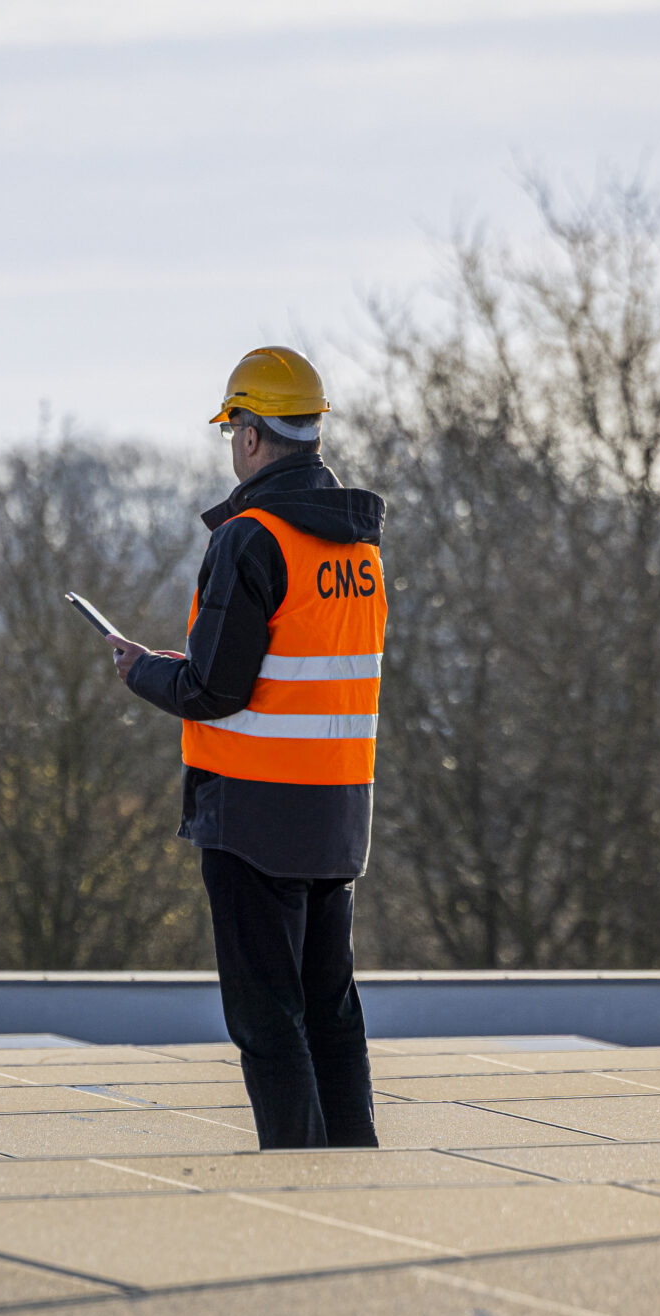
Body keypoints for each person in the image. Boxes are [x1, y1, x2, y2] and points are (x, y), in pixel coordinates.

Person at [107, 347, 387, 1149]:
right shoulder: (358, 548)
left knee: (269, 1021)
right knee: (331, 1011)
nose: (234, 444)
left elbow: (212, 689)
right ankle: (356, 1167)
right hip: (337, 814)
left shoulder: (250, 540)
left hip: (254, 813)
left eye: (235, 429)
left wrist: (143, 672)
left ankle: (299, 1181)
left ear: (254, 435)